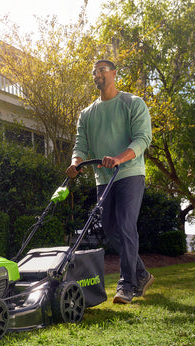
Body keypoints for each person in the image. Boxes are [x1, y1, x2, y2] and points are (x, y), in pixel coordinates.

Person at [66, 59, 154, 304]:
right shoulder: (87, 114)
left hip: (130, 173)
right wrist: (75, 162)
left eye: (102, 70)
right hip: (103, 178)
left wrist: (118, 158)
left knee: (126, 225)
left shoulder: (132, 103)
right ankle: (142, 273)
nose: (98, 74)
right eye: (95, 71)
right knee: (110, 229)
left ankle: (126, 285)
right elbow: (80, 144)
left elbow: (142, 139)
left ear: (114, 73)